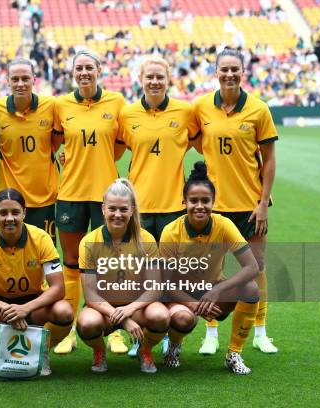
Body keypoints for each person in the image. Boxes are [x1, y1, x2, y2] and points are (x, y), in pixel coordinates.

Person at [189, 48, 278, 355]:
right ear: (216, 72)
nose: (229, 74)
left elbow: (269, 160)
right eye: (223, 69)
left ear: (243, 72)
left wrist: (263, 202)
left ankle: (260, 332)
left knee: (257, 267)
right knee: (210, 271)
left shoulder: (258, 109)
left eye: (234, 69)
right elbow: (184, 140)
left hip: (250, 206)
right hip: (213, 207)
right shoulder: (201, 107)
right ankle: (211, 334)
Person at [117, 56, 197, 357]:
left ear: (169, 79)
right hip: (138, 208)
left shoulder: (185, 112)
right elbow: (114, 148)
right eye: (149, 76)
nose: (154, 82)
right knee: (137, 276)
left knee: (169, 276)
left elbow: (197, 144)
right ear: (140, 78)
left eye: (160, 77)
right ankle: (140, 335)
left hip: (173, 207)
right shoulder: (127, 114)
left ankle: (168, 336)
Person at [52, 50, 127, 355]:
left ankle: (114, 330)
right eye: (78, 68)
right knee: (71, 262)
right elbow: (54, 142)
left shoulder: (116, 102)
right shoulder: (61, 105)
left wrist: (98, 164)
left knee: (110, 264)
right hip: (70, 193)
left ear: (99, 70)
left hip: (106, 197)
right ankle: (69, 329)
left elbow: (119, 148)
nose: (84, 73)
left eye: (89, 68)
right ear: (73, 73)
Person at [159, 161, 261, 374]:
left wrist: (218, 290)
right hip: (180, 295)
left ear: (214, 202)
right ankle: (174, 347)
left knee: (251, 289)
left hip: (213, 292)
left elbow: (252, 267)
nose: (199, 206)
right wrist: (193, 305)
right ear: (184, 202)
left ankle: (234, 354)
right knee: (183, 318)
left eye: (205, 201)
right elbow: (163, 284)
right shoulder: (171, 232)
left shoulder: (224, 225)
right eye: (193, 201)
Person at [0, 188, 73, 376]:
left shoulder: (41, 238)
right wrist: (7, 308)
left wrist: (25, 308)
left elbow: (58, 288)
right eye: (3, 213)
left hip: (33, 304)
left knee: (64, 312)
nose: (9, 218)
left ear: (24, 213)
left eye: (15, 212)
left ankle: (41, 351)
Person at [77, 179, 169, 373]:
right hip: (103, 310)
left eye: (123, 209)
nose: (117, 214)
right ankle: (99, 349)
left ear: (132, 210)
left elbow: (155, 288)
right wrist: (122, 318)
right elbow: (90, 295)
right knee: (86, 323)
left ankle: (145, 350)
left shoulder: (146, 239)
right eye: (112, 209)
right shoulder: (89, 241)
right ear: (103, 209)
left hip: (137, 307)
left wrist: (130, 309)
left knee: (161, 316)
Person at [0, 58, 59, 243]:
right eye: (15, 79)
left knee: (43, 256)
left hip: (43, 198)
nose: (20, 84)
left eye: (25, 78)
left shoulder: (51, 106)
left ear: (33, 80)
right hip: (8, 198)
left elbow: (62, 136)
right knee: (2, 255)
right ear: (8, 81)